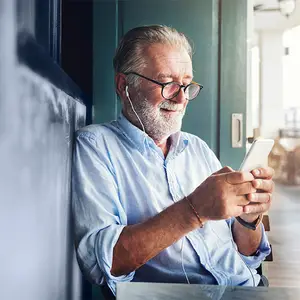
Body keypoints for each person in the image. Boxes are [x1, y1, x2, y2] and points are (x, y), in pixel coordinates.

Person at [72, 25, 273, 297]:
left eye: (187, 85)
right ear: (124, 85)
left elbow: (248, 255)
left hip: (246, 289)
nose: (181, 98)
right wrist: (195, 209)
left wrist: (249, 220)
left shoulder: (197, 148)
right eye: (167, 84)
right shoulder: (96, 145)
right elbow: (103, 264)